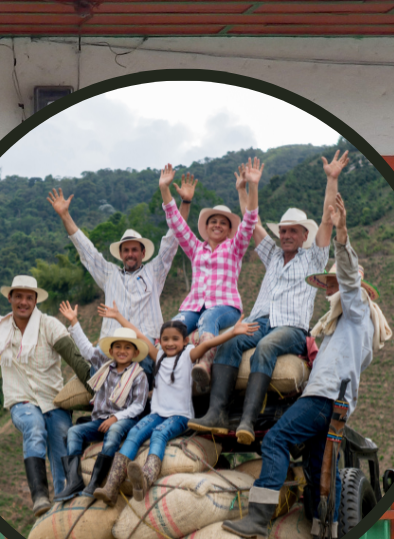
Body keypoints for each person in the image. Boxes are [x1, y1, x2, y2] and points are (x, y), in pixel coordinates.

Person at [223, 191, 394, 539]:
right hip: (333, 402)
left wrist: (341, 233)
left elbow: (347, 275)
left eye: (338, 285)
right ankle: (323, 534)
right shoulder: (337, 327)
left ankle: (258, 519)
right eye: (329, 284)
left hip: (324, 398)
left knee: (275, 442)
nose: (334, 290)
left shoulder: (357, 309)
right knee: (319, 472)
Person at [196, 151, 348, 439]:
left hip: (290, 327)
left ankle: (248, 422)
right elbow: (252, 222)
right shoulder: (273, 255)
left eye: (293, 231)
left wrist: (332, 179)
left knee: (266, 346)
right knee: (230, 342)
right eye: (283, 231)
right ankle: (217, 413)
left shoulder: (313, 258)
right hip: (261, 319)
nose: (286, 235)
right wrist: (243, 189)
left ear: (305, 235)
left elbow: (328, 219)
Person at [0, 238, 91, 514]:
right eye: (18, 296)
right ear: (11, 298)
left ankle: (65, 504)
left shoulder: (50, 326)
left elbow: (74, 360)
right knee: (34, 428)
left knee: (62, 436)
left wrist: (98, 388)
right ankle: (39, 496)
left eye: (29, 297)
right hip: (22, 402)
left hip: (54, 402)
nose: (23, 302)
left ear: (35, 300)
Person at [46, 177, 192, 373]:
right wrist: (65, 215)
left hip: (145, 337)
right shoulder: (109, 274)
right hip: (112, 338)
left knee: (145, 365)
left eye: (134, 250)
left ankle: (143, 398)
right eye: (126, 250)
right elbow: (86, 250)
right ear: (121, 254)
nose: (130, 254)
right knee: (95, 367)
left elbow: (173, 237)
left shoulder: (154, 271)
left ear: (143, 253)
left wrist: (185, 203)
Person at [109, 309, 261, 497]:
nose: (170, 343)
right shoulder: (158, 356)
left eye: (175, 339)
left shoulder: (189, 355)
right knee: (134, 432)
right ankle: (112, 486)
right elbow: (139, 334)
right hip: (157, 413)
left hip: (180, 416)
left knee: (159, 434)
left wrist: (232, 332)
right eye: (165, 339)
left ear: (185, 341)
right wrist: (118, 317)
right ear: (160, 341)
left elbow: (210, 343)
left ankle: (146, 478)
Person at [160, 157, 261, 415]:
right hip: (193, 305)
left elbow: (249, 220)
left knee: (209, 318)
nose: (217, 225)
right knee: (173, 327)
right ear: (206, 228)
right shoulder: (196, 249)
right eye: (213, 221)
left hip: (225, 307)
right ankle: (164, 375)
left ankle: (204, 364)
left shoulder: (235, 248)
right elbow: (176, 225)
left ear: (229, 230)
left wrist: (252, 186)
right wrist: (165, 190)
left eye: (223, 223)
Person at [56, 302, 150, 505]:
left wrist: (115, 418)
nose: (122, 351)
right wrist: (74, 322)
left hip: (122, 421)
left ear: (134, 353)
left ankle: (95, 483)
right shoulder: (104, 365)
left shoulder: (138, 375)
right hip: (99, 420)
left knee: (114, 432)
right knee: (74, 432)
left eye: (127, 347)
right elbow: (87, 350)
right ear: (111, 350)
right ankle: (74, 481)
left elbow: (138, 407)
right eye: (118, 347)